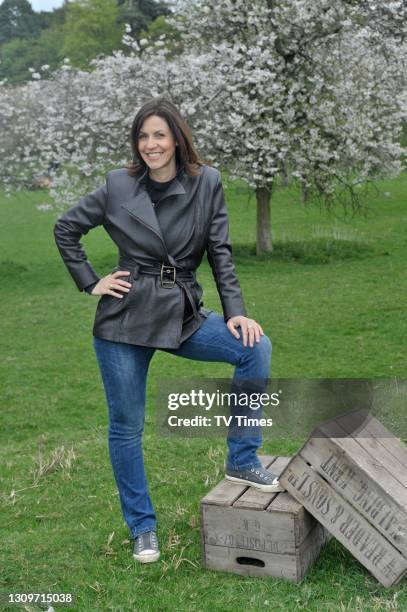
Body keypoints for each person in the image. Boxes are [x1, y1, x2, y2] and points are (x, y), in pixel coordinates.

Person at [54, 98, 282, 565]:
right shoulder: (118, 185)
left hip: (182, 312)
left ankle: (242, 458)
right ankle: (143, 527)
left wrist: (235, 310)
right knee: (126, 427)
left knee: (254, 348)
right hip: (124, 318)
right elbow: (66, 228)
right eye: (143, 136)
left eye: (159, 135)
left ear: (177, 138)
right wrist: (90, 281)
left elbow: (219, 250)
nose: (151, 145)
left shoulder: (206, 182)